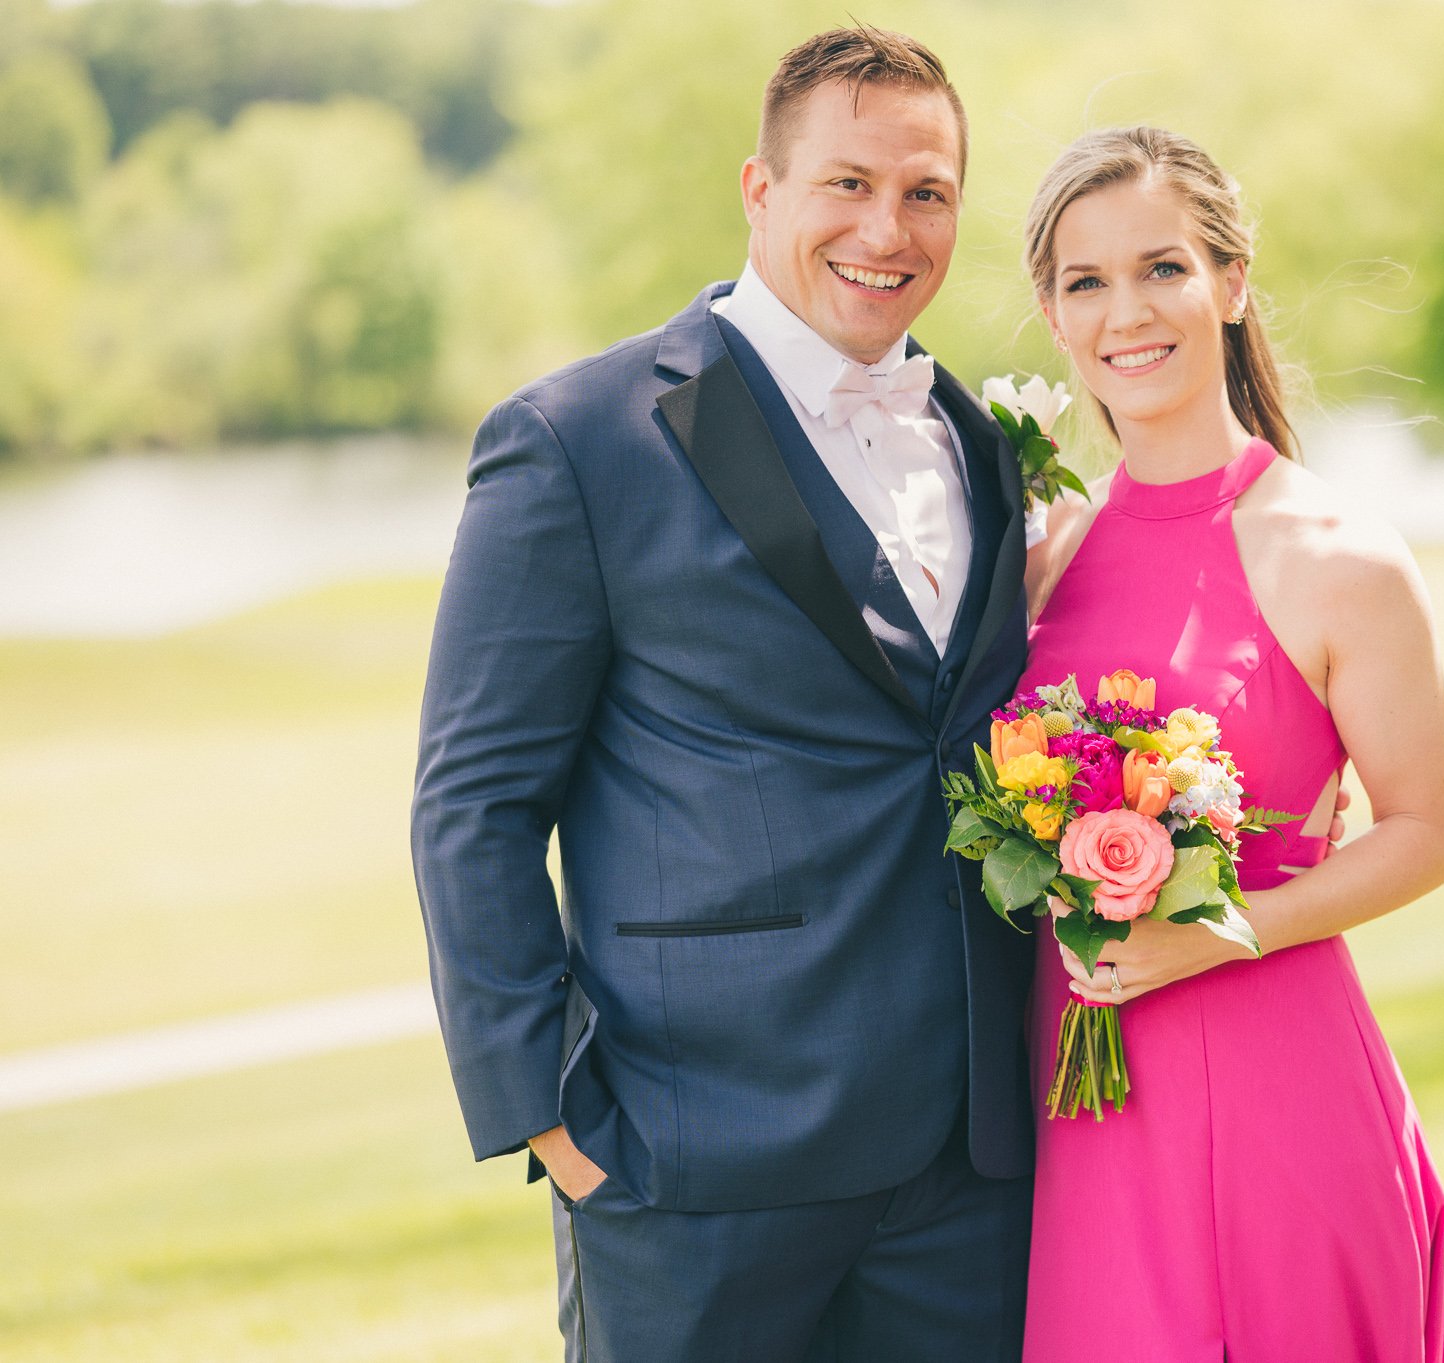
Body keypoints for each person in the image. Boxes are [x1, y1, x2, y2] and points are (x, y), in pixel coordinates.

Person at [409, 27, 1038, 1362]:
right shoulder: (580, 441)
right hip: (690, 1169)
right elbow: (475, 804)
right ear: (760, 190)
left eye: (926, 192)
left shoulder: (979, 444)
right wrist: (550, 1119)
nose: (887, 228)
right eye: (847, 183)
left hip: (967, 1175)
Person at [1017, 126, 1444, 1361]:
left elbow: (1426, 832)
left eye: (1162, 267)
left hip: (1281, 1091)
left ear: (1230, 280)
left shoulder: (1337, 556)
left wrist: (1218, 932)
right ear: (1053, 318)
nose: (1126, 311)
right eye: (1086, 281)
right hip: (1080, 1109)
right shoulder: (1039, 556)